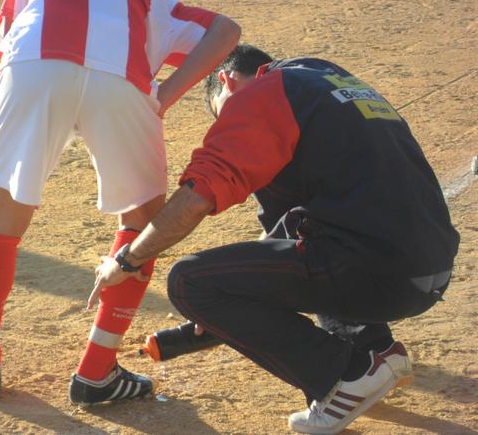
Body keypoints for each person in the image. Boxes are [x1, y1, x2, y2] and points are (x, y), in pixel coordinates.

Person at [90, 45, 460, 433]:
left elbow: (199, 196)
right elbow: (280, 236)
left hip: (380, 271)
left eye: (221, 113)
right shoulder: (319, 75)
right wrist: (233, 303)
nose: (227, 123)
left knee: (189, 282)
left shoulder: (259, 95)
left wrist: (128, 259)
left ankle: (347, 376)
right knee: (310, 234)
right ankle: (375, 349)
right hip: (427, 267)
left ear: (227, 81)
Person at [0, 0, 240, 404]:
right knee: (143, 223)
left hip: (34, 60)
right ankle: (96, 372)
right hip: (119, 75)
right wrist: (162, 97)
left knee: (2, 212)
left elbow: (9, 27)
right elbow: (226, 31)